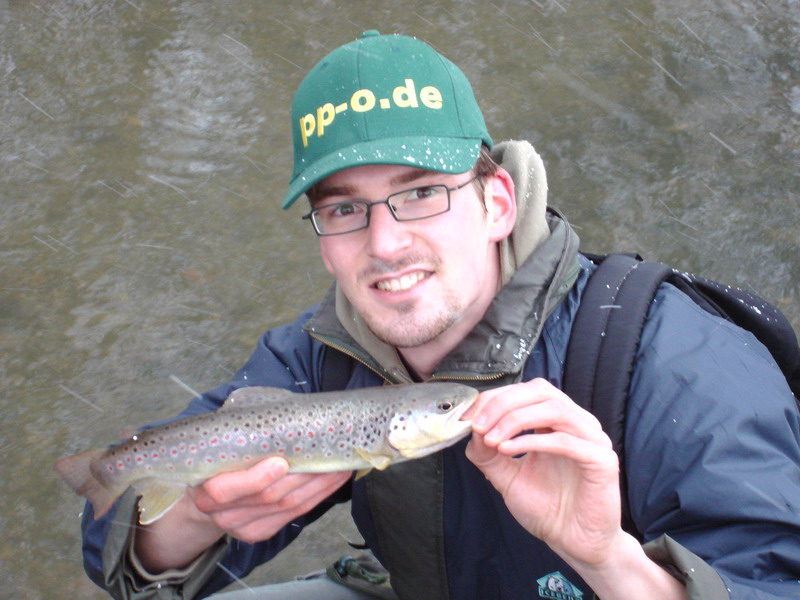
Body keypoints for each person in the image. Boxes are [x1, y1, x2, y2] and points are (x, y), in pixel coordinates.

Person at [80, 31, 800, 600]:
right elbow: (112, 543)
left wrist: (608, 559)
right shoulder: (320, 359)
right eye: (343, 209)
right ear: (322, 241)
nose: (386, 243)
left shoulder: (679, 362)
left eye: (421, 191)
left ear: (497, 202)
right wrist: (195, 518)